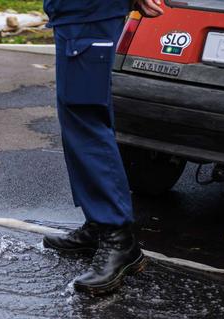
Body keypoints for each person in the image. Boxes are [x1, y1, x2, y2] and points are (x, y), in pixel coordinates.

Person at [41, 0, 163, 294]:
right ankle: (99, 224)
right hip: (76, 13)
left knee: (85, 118)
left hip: (89, 12)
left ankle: (118, 239)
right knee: (78, 116)